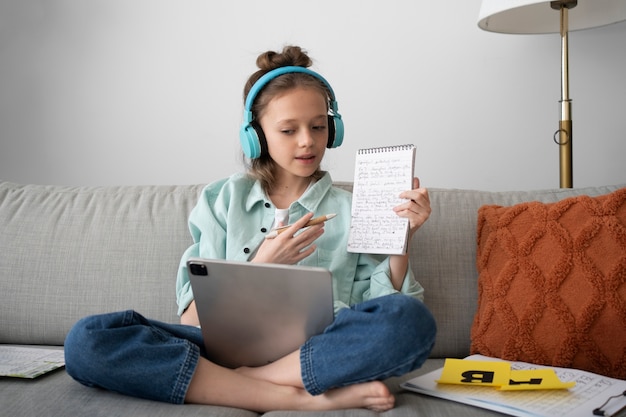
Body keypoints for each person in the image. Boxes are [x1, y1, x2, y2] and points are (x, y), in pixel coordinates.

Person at [64, 45, 436, 412]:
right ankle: (288, 396)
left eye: (318, 126)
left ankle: (254, 381)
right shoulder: (221, 199)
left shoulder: (352, 208)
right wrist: (261, 265)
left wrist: (400, 241)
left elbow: (382, 311)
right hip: (218, 350)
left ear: (333, 128)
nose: (307, 140)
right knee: (87, 341)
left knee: (410, 322)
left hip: (318, 348)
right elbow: (192, 321)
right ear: (255, 135)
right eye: (288, 130)